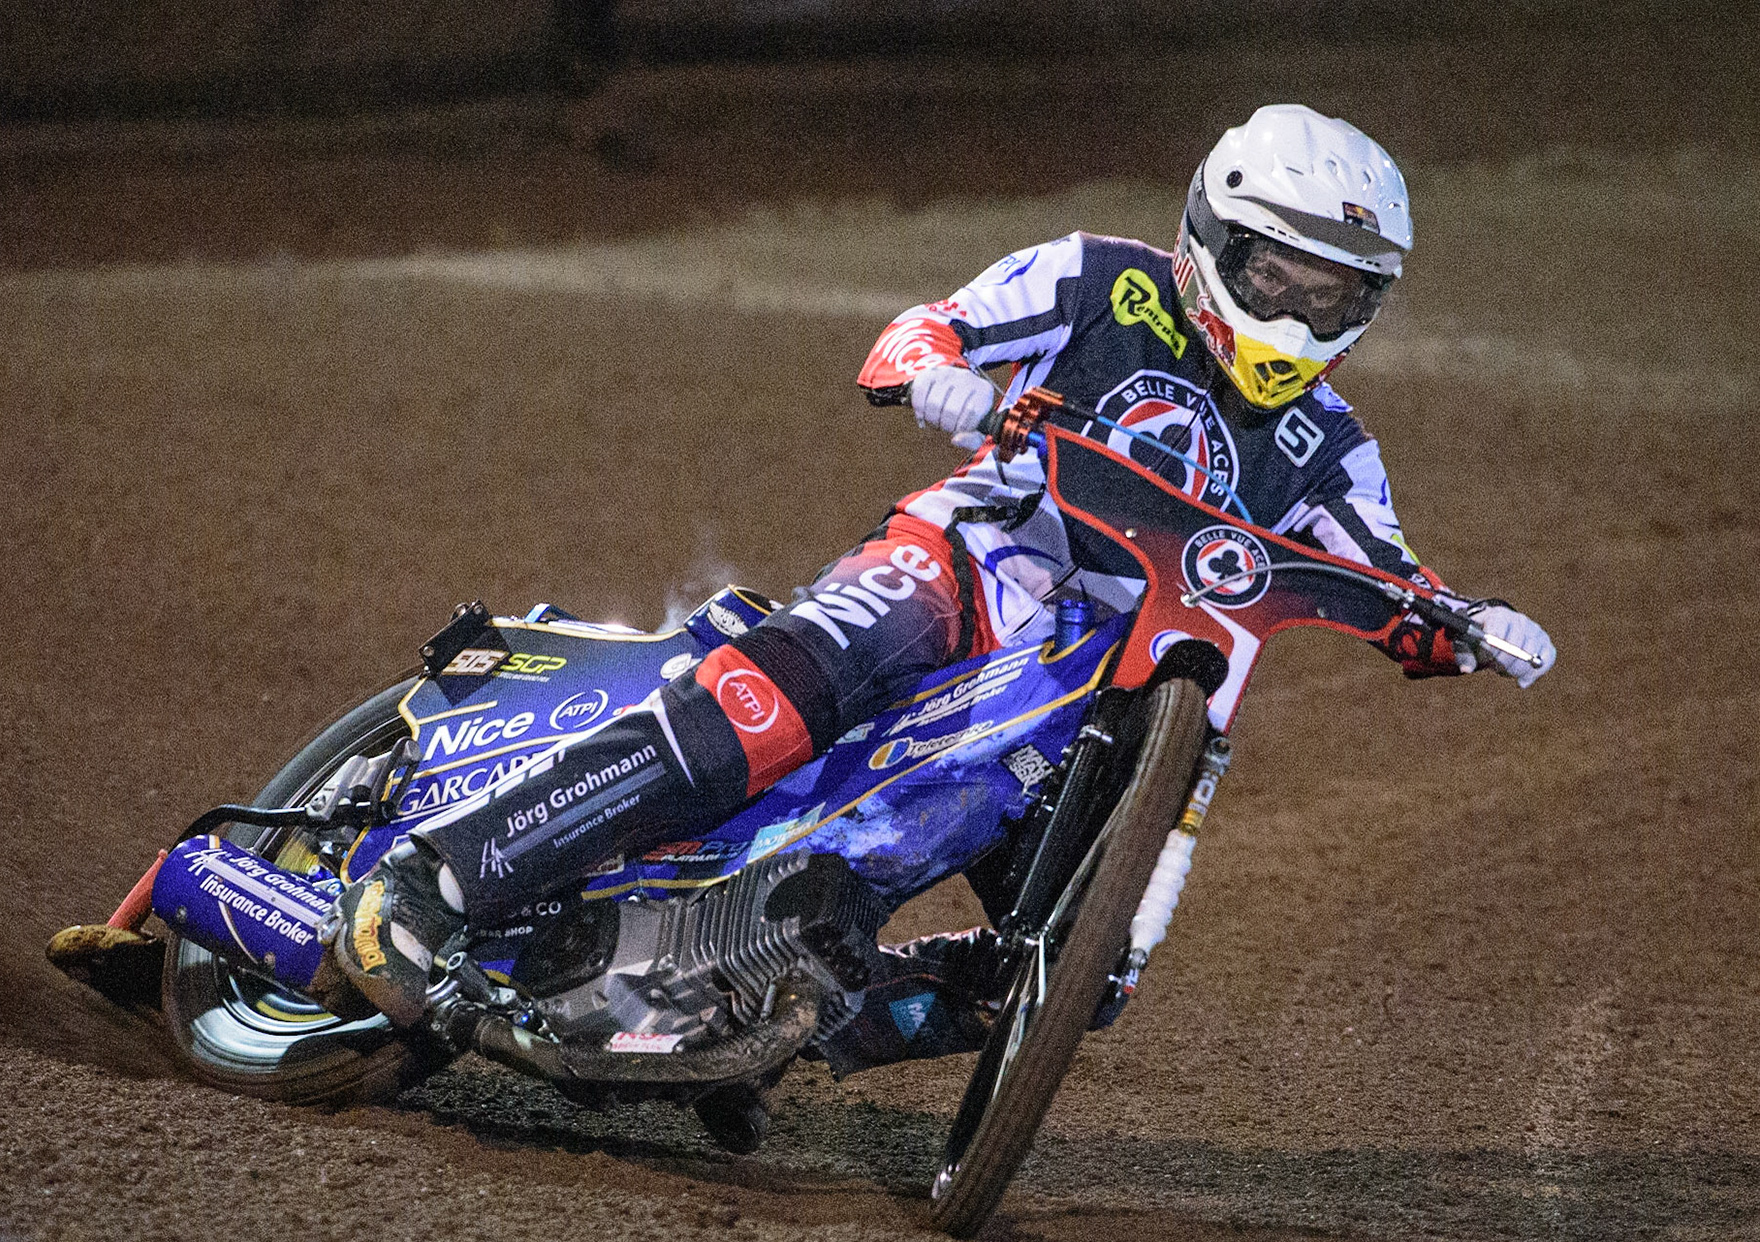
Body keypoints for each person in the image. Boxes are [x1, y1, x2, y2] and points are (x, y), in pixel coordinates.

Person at [323, 104, 1556, 1077]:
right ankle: (432, 876)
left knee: (1085, 966)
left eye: (1331, 291)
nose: (1298, 307)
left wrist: (1469, 626)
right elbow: (917, 335)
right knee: (773, 706)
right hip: (967, 560)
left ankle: (771, 1037)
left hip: (1094, 681)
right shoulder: (1094, 280)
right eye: (1281, 273)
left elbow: (1388, 577)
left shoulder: (1332, 445)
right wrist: (945, 382)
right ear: (1219, 237)